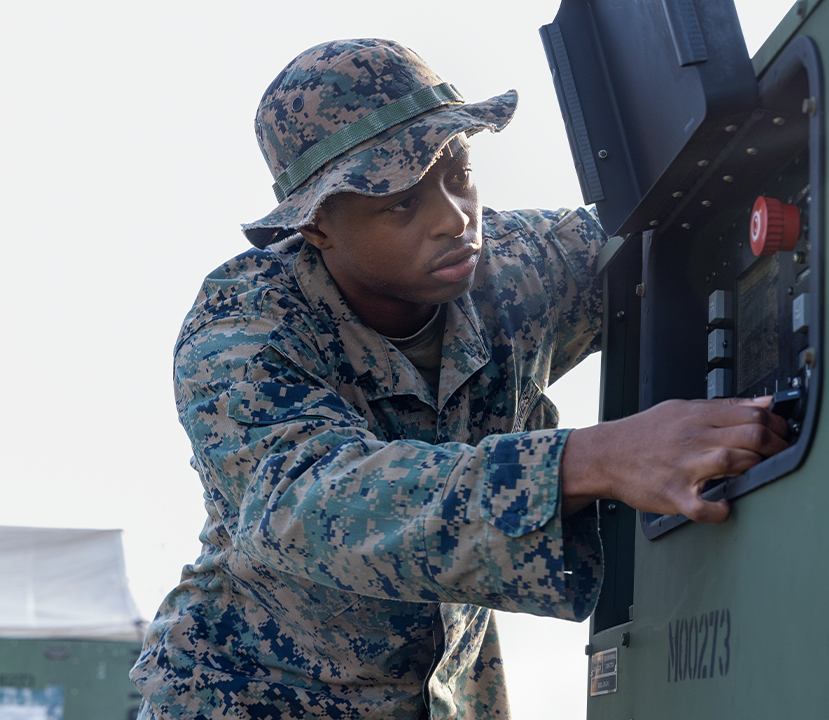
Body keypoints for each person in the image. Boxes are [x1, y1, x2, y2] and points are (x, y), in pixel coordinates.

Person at [130, 38, 788, 719]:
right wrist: (594, 459)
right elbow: (307, 507)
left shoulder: (522, 266)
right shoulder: (243, 329)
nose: (453, 216)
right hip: (247, 697)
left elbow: (683, 229)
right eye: (401, 202)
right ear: (318, 226)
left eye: (460, 172)